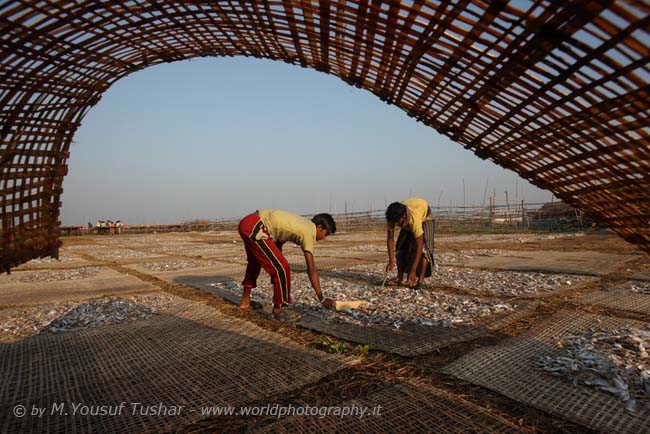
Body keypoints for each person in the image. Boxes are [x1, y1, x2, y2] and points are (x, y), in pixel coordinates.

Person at [237, 209, 337, 320]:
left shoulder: (302, 224)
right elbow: (311, 268)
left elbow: (278, 241)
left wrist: (277, 279)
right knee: (282, 268)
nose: (324, 237)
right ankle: (278, 310)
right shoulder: (310, 232)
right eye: (326, 233)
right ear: (319, 227)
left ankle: (245, 302)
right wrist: (321, 298)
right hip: (256, 226)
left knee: (255, 263)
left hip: (248, 223)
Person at [385, 198, 435, 288]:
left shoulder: (414, 220)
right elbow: (390, 239)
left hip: (425, 217)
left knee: (425, 249)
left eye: (397, 222)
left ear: (403, 216)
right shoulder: (392, 217)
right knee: (400, 246)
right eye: (394, 223)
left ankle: (420, 280)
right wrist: (391, 261)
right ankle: (400, 277)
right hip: (409, 215)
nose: (395, 224)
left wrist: (413, 271)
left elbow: (420, 247)